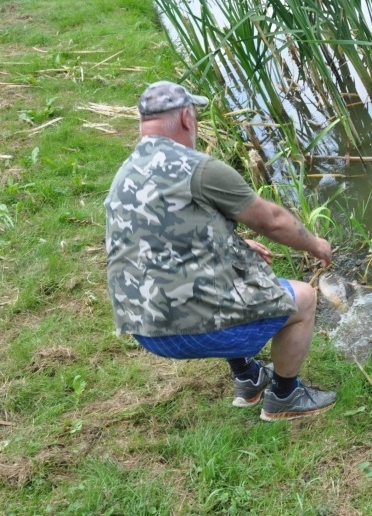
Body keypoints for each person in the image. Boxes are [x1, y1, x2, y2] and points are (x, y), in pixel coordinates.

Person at [104, 80, 336, 421]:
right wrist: (317, 244)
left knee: (242, 266)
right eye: (195, 114)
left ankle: (249, 378)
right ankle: (286, 397)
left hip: (141, 324)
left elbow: (163, 233)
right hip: (180, 331)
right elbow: (271, 220)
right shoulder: (198, 168)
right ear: (186, 117)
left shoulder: (126, 172)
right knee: (303, 298)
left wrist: (235, 244)